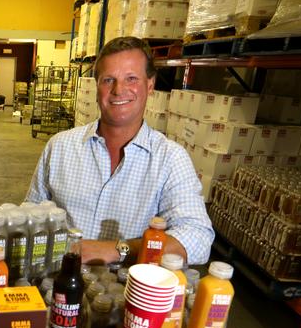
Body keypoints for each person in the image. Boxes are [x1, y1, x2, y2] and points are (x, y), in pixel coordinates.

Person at [26, 37, 213, 266]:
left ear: (150, 84)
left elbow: (198, 238)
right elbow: (29, 217)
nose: (119, 90)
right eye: (108, 80)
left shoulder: (170, 159)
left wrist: (116, 250)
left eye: (131, 78)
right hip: (58, 281)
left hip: (126, 291)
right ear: (97, 87)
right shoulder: (60, 147)